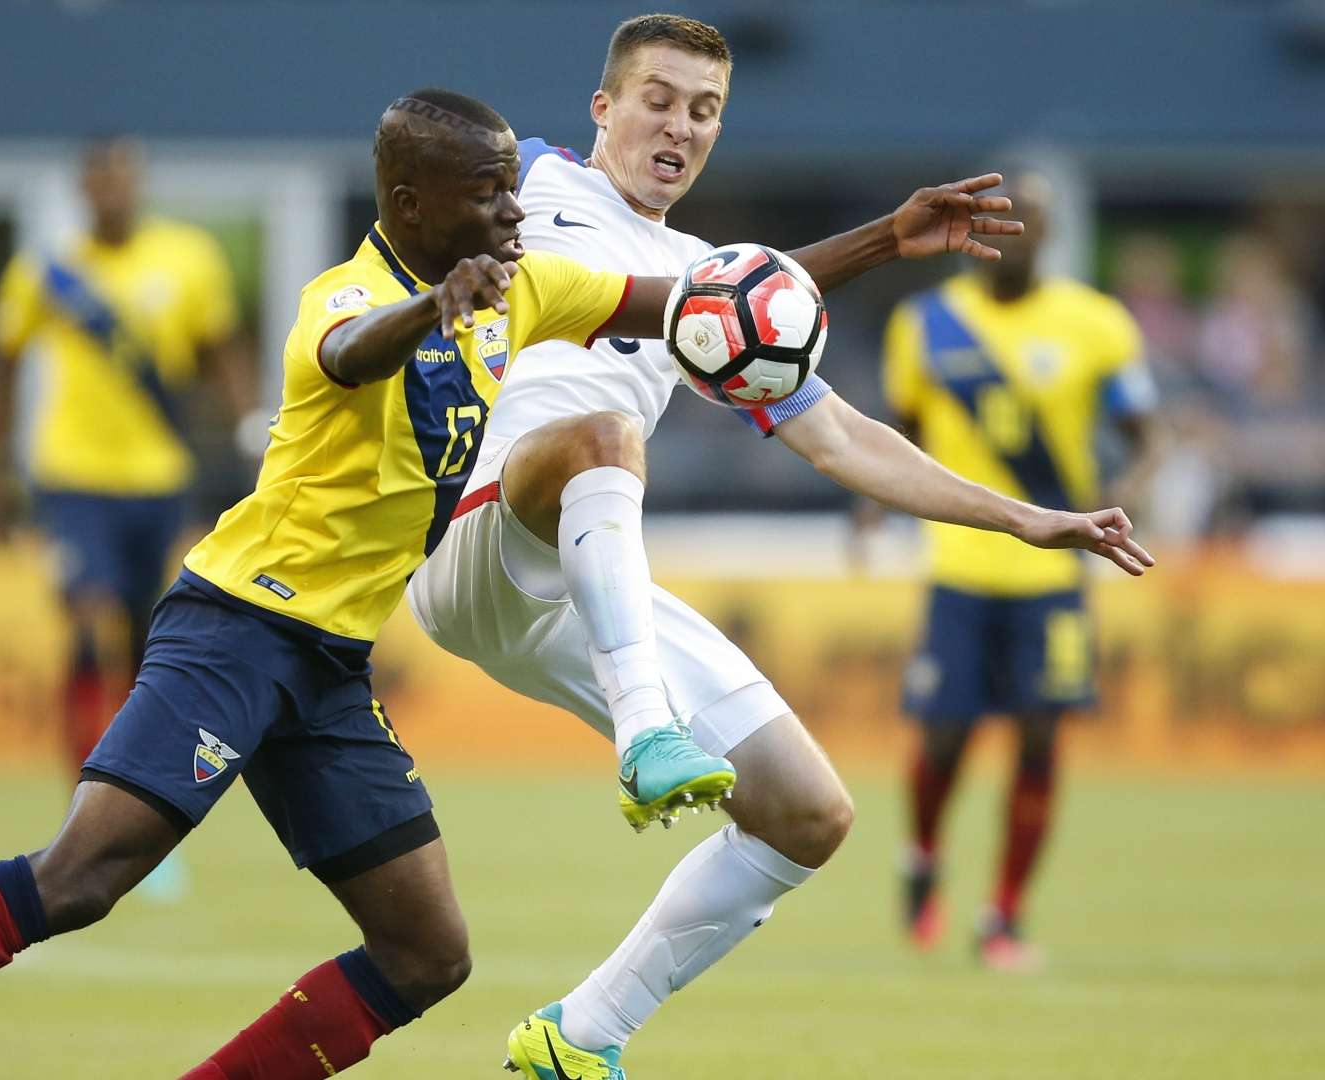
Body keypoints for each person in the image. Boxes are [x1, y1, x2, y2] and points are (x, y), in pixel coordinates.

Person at [0, 88, 689, 1080]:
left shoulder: (522, 287)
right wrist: (435, 306)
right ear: (409, 200)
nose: (512, 214)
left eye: (511, 192)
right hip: (239, 629)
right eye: (486, 196)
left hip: (332, 666)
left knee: (428, 955)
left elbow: (688, 304)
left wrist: (800, 284)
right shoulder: (342, 299)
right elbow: (350, 354)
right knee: (83, 877)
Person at [402, 15, 1152, 1077]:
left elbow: (843, 436)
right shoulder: (526, 181)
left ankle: (582, 1036)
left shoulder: (705, 281)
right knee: (603, 435)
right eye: (659, 99)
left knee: (807, 813)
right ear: (603, 107)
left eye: (705, 110)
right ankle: (646, 733)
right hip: (471, 538)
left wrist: (1028, 518)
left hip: (583, 576)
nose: (681, 126)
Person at [885, 172, 1157, 972]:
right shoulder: (925, 325)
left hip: (1054, 574)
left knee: (1039, 743)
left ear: (1053, 234)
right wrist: (873, 507)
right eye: (1002, 223)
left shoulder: (1098, 324)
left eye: (1031, 222)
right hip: (960, 565)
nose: (1016, 236)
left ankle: (1003, 916)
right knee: (944, 739)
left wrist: (1123, 494)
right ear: (978, 230)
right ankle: (924, 856)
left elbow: (1148, 436)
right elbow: (897, 440)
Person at [0, 137, 256, 780]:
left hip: (157, 476)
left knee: (139, 639)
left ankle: (128, 790)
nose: (113, 190)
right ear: (83, 189)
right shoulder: (45, 270)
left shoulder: (188, 260)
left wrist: (248, 433)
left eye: (124, 177)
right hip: (71, 476)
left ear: (140, 183)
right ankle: (79, 787)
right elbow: (1, 372)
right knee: (87, 616)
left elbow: (222, 353)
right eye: (101, 179)